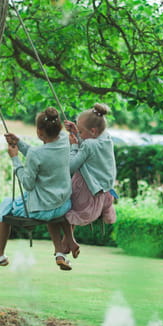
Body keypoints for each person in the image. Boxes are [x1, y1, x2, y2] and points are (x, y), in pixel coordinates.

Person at [0, 107, 73, 270]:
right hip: (62, 205)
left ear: (40, 132)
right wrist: (19, 143)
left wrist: (15, 159)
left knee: (5, 206)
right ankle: (59, 253)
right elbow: (42, 156)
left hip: (41, 209)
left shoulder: (37, 153)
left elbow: (27, 184)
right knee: (49, 209)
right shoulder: (64, 140)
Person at [61, 103, 118, 256]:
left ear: (93, 131)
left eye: (80, 131)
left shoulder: (89, 145)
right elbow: (90, 143)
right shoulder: (106, 139)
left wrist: (73, 146)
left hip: (85, 188)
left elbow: (71, 167)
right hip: (102, 189)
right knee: (72, 215)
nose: (79, 134)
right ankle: (65, 248)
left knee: (66, 211)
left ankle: (67, 244)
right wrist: (77, 132)